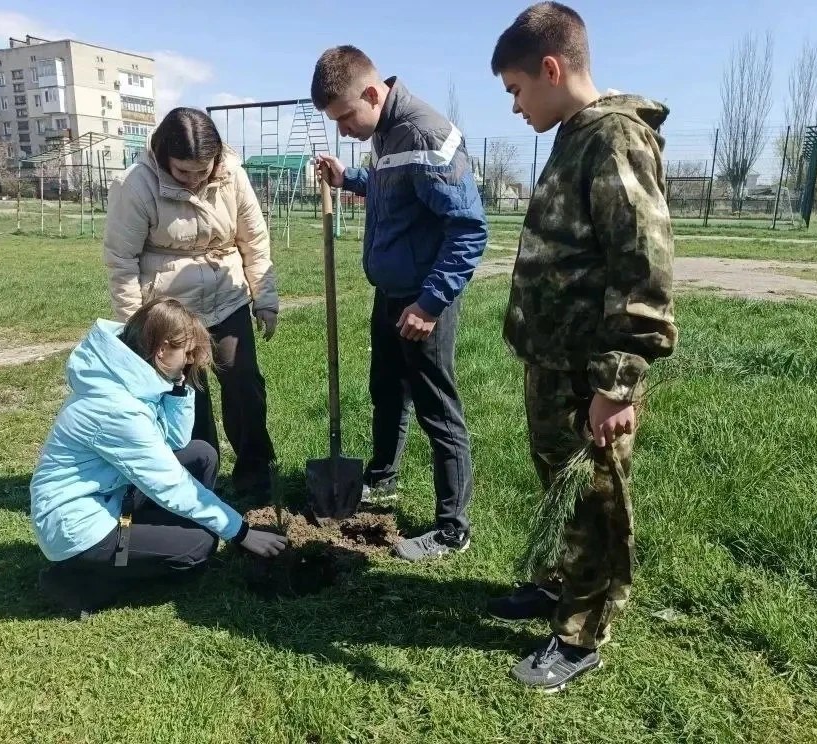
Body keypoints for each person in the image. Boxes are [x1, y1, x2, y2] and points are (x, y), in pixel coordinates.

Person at [486, 3, 678, 692]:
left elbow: (642, 267)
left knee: (595, 500)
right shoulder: (574, 135)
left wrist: (617, 382)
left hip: (592, 371)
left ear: (551, 67)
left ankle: (582, 634)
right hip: (553, 364)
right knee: (560, 490)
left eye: (515, 90)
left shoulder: (615, 139)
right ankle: (560, 587)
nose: (514, 107)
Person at [310, 46, 488, 562]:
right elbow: (398, 190)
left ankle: (453, 528)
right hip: (391, 294)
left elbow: (468, 229)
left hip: (421, 299)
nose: (343, 128)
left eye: (345, 116)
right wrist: (351, 179)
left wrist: (430, 305)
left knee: (436, 405)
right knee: (386, 389)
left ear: (370, 93)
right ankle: (382, 479)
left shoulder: (425, 133)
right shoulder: (386, 133)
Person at [30, 297, 287, 617]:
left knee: (201, 455)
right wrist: (241, 532)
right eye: (188, 353)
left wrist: (180, 387)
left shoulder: (131, 373)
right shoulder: (116, 409)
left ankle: (137, 539)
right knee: (198, 547)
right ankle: (82, 581)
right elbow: (171, 484)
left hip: (112, 496)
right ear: (162, 349)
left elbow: (176, 442)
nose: (191, 360)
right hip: (78, 526)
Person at [103, 106, 279, 501]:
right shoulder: (136, 185)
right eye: (184, 172)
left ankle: (256, 475)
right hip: (171, 310)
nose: (196, 180)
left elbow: (254, 239)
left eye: (204, 170)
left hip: (226, 297)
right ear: (164, 155)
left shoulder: (232, 174)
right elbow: (121, 261)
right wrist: (138, 326)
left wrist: (264, 298)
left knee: (243, 383)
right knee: (187, 395)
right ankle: (200, 482)